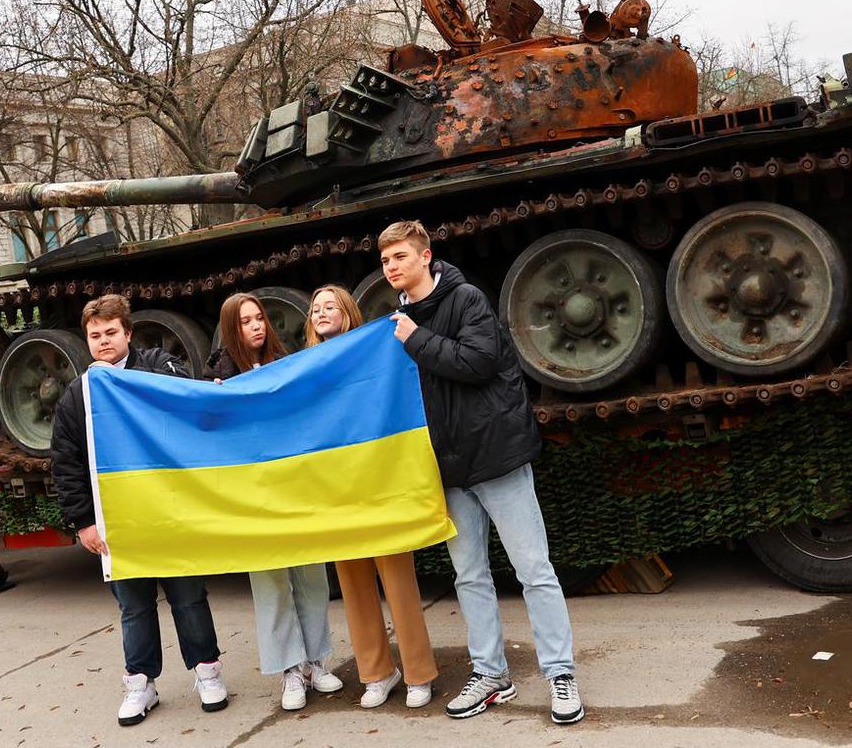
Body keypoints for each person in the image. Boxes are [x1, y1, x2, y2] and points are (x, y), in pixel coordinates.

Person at [380, 220, 584, 725]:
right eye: (385, 261)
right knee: (469, 576)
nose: (391, 267)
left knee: (534, 570)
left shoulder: (465, 299)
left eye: (400, 256)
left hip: (495, 455)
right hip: (448, 466)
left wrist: (416, 338)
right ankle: (491, 674)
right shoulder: (397, 321)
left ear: (426, 256)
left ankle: (561, 674)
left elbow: (479, 361)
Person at [50, 295, 228, 727]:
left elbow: (186, 400)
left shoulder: (155, 365)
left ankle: (207, 672)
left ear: (128, 333)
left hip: (169, 511)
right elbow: (66, 461)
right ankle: (140, 683)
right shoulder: (79, 393)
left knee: (188, 596)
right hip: (117, 519)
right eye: (95, 335)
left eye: (111, 333)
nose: (104, 341)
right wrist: (83, 522)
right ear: (86, 340)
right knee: (134, 606)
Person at [205, 292, 344, 712]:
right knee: (271, 583)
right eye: (246, 321)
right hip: (253, 493)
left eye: (259, 318)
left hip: (293, 485)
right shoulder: (216, 375)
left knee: (311, 575)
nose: (257, 326)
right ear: (232, 328)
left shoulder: (287, 362)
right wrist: (216, 403)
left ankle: (316, 661)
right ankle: (289, 669)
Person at [305, 285, 438, 710]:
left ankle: (419, 673)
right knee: (354, 585)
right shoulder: (304, 366)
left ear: (347, 312)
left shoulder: (374, 350)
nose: (321, 312)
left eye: (330, 306)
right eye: (314, 309)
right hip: (337, 489)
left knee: (397, 580)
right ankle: (378, 673)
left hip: (379, 484)